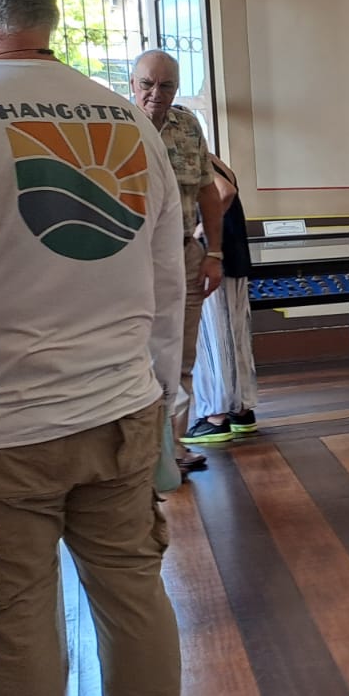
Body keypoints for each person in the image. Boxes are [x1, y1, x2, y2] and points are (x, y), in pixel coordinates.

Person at [0, 0, 189, 696]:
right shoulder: (126, 118)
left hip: (4, 431)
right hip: (122, 410)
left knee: (16, 630)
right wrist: (162, 405)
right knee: (134, 604)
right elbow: (166, 278)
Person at [132, 49, 223, 476]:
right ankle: (139, 454)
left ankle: (172, 448)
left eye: (166, 85)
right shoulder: (116, 123)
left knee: (180, 353)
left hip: (185, 251)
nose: (156, 94)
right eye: (147, 84)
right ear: (133, 85)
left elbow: (208, 190)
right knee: (134, 353)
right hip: (130, 257)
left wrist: (215, 253)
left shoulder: (188, 125)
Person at [184, 154, 259, 444]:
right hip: (233, 257)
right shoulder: (214, 159)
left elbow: (225, 192)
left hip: (213, 259)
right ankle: (240, 410)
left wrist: (196, 233)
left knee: (213, 338)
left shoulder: (198, 160)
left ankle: (215, 417)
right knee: (234, 336)